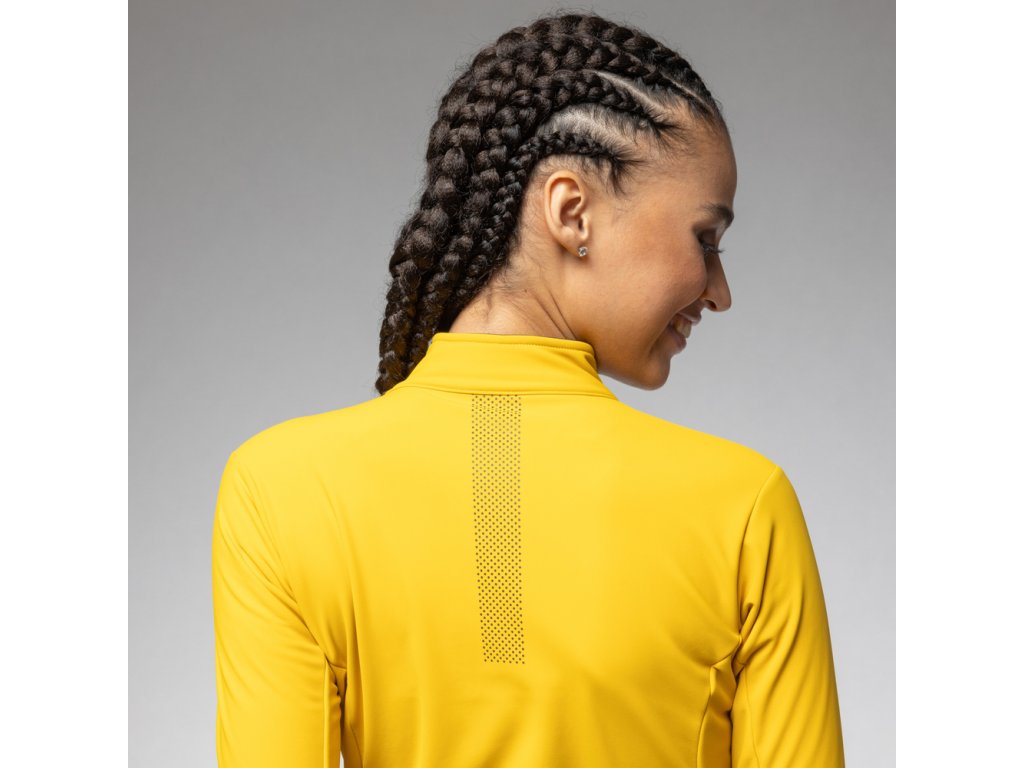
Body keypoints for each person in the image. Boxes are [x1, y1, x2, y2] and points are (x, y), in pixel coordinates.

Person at [211, 9, 845, 767]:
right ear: (571, 212)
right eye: (705, 239)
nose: (719, 291)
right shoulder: (744, 508)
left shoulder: (279, 491)